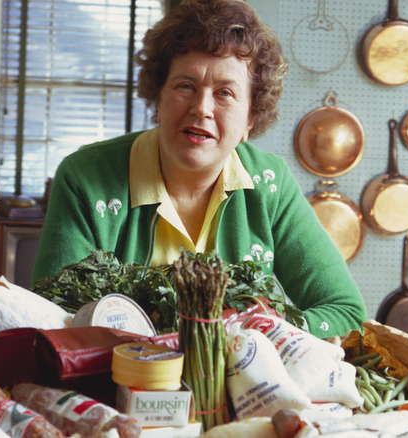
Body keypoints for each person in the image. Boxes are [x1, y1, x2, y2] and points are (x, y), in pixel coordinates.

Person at [31, 0, 366, 338]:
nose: (201, 108)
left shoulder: (271, 184)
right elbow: (51, 315)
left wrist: (266, 330)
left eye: (225, 93)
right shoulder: (85, 177)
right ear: (159, 99)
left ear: (250, 118)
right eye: (185, 86)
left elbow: (346, 312)